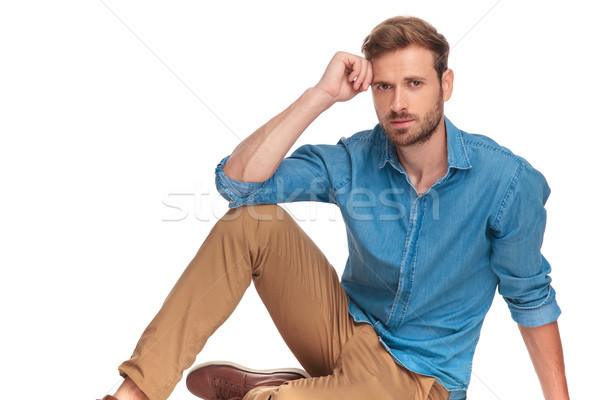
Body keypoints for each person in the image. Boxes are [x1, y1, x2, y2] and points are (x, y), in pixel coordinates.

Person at [99, 16, 570, 400]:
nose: (399, 103)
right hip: (344, 332)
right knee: (252, 222)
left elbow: (530, 298)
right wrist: (320, 96)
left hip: (418, 380)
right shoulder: (355, 158)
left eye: (414, 83)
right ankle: (135, 395)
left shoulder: (506, 182)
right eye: (384, 87)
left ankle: (288, 392)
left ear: (445, 84)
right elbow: (238, 185)